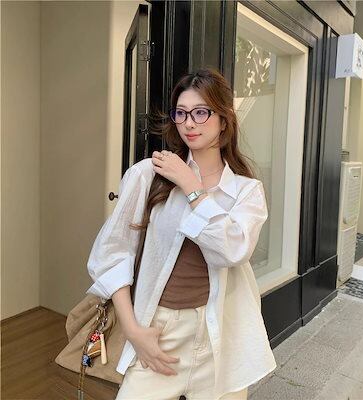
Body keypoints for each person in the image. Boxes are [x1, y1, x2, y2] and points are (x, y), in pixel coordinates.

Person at [85, 68, 277, 400]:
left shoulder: (246, 191)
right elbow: (112, 253)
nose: (189, 123)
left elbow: (232, 251)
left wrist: (191, 186)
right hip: (160, 330)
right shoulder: (148, 175)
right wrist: (133, 331)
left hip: (220, 333)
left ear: (223, 120)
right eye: (181, 113)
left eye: (201, 112)